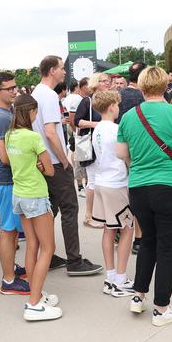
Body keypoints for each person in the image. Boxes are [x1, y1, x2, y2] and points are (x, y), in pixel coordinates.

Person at [116, 67, 172, 326]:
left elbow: (121, 152)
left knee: (147, 242)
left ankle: (138, 295)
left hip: (139, 187)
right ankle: (161, 308)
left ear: (142, 87)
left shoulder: (129, 116)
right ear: (166, 87)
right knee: (168, 248)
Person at [31, 56, 101, 276]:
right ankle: (74, 260)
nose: (64, 72)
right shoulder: (49, 95)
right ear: (52, 71)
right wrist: (64, 160)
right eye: (61, 68)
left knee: (49, 210)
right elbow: (50, 132)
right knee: (70, 208)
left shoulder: (35, 93)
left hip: (41, 161)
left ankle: (48, 255)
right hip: (53, 161)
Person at [6, 95, 63, 321]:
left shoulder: (10, 135)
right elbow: (50, 170)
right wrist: (41, 166)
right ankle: (34, 303)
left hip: (19, 194)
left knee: (32, 245)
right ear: (30, 112)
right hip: (36, 195)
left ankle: (35, 293)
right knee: (48, 248)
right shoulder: (33, 137)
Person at [0, 72, 30, 295]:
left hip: (4, 180)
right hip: (6, 179)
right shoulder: (2, 116)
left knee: (10, 231)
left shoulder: (1, 111)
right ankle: (9, 280)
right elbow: (4, 156)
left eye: (15, 87)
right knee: (8, 231)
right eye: (9, 88)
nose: (15, 91)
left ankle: (10, 268)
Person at [89, 89, 137, 296]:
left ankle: (111, 277)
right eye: (117, 105)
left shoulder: (98, 129)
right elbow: (125, 154)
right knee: (127, 228)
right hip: (116, 185)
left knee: (109, 229)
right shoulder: (116, 129)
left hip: (100, 182)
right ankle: (120, 278)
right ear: (111, 106)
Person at [73, 73, 112, 228]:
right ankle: (89, 215)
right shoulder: (88, 101)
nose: (107, 83)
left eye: (108, 81)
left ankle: (100, 214)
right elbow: (77, 121)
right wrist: (97, 125)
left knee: (103, 179)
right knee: (93, 180)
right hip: (91, 144)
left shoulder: (109, 100)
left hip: (106, 145)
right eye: (104, 81)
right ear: (96, 83)